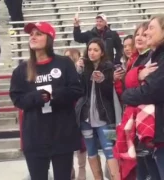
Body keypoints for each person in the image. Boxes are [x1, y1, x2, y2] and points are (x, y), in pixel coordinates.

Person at [9, 22, 83, 180]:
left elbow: (76, 91)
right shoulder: (21, 69)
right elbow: (17, 99)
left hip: (62, 133)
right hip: (35, 136)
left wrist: (52, 95)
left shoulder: (64, 63)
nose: (33, 37)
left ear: (49, 39)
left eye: (38, 34)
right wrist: (38, 96)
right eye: (31, 34)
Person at [114, 22, 161, 180]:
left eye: (149, 29)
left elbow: (149, 91)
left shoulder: (151, 57)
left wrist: (129, 88)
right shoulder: (135, 60)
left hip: (151, 126)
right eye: (138, 34)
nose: (144, 35)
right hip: (142, 124)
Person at [75, 38, 120, 180]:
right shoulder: (84, 67)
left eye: (96, 50)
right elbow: (79, 91)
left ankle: (115, 177)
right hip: (85, 117)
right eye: (89, 50)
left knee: (111, 149)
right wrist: (79, 72)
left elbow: (110, 94)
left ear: (102, 52)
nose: (92, 53)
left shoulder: (109, 67)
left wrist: (104, 80)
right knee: (91, 150)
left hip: (106, 118)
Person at [64, 48, 87, 180]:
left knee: (81, 141)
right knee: (66, 141)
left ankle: (82, 169)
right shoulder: (61, 72)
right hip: (65, 109)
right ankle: (70, 169)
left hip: (80, 108)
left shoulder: (81, 70)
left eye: (70, 57)